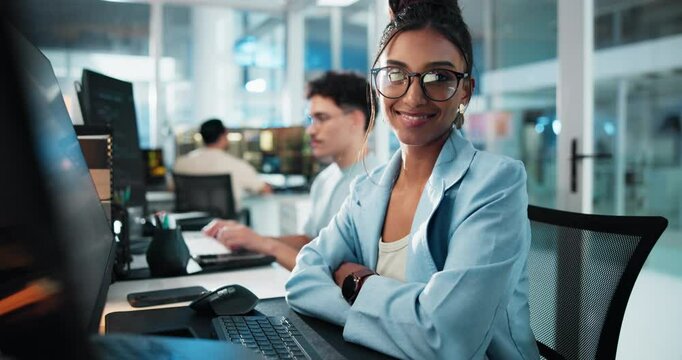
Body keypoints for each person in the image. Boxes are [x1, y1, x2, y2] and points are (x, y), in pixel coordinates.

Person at [284, 1, 539, 359]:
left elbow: (446, 338)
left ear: (465, 90)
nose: (413, 96)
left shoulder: (495, 184)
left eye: (439, 77)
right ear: (379, 83)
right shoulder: (368, 188)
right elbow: (301, 281)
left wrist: (358, 283)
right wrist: (406, 318)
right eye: (397, 74)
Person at [203, 71, 382, 271]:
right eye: (311, 119)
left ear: (355, 120)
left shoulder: (375, 185)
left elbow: (340, 272)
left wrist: (266, 245)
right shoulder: (326, 178)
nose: (310, 130)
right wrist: (249, 238)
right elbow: (311, 241)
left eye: (321, 118)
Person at [173, 118, 272, 210]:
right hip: (226, 225)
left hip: (190, 222)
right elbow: (264, 190)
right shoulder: (237, 165)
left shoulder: (181, 163)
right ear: (224, 135)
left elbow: (171, 187)